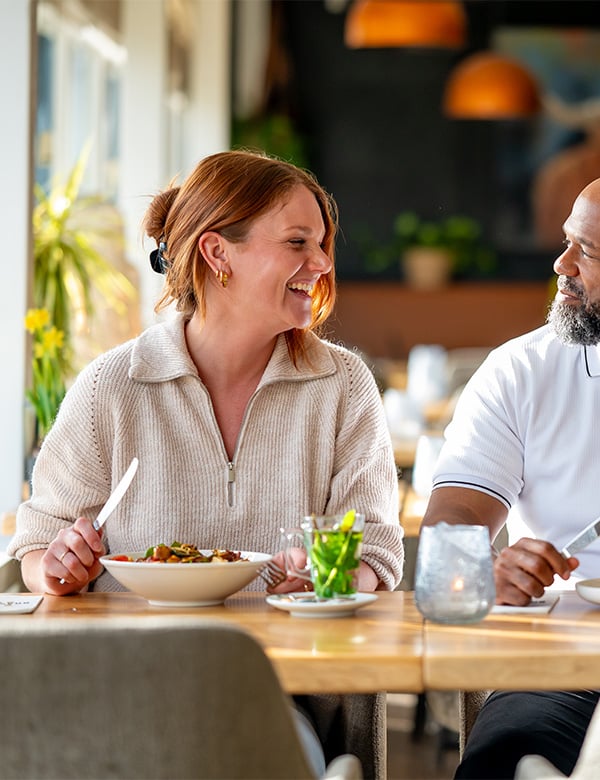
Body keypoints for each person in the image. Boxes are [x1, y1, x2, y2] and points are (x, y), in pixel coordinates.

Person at [9, 149, 404, 779]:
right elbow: (35, 547)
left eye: (323, 243)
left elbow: (378, 553)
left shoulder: (342, 385)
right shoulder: (113, 387)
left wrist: (332, 578)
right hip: (127, 693)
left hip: (281, 699)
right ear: (218, 254)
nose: (324, 264)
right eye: (298, 241)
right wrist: (55, 569)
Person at [421, 176, 600, 779]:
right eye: (567, 241)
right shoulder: (519, 373)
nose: (562, 263)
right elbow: (451, 536)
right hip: (560, 672)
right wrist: (480, 569)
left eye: (589, 251)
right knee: (499, 766)